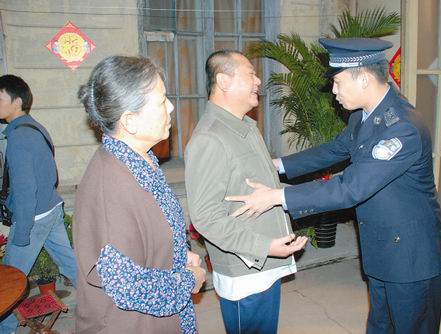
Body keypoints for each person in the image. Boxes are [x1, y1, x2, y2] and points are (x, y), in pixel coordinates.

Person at [226, 38, 441, 334]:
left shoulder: (402, 128)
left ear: (365, 79)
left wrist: (278, 196)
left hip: (410, 256)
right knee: (381, 325)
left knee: (411, 326)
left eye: (339, 82)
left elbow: (350, 187)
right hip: (384, 247)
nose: (334, 91)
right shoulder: (363, 116)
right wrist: (275, 165)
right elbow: (333, 150)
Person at [75, 56, 205, 334]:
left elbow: (154, 229)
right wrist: (188, 278)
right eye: (161, 101)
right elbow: (130, 288)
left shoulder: (140, 160)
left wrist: (180, 254)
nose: (170, 106)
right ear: (130, 122)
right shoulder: (111, 185)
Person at [185, 50, 307, 334]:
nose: (258, 80)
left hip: (264, 267)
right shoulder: (210, 138)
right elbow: (205, 217)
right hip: (246, 272)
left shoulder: (245, 127)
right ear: (223, 81)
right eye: (250, 74)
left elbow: (265, 188)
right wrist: (263, 247)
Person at [0, 75, 77, 334]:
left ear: (17, 101)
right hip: (52, 209)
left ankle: (6, 329)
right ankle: (103, 302)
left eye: (0, 98)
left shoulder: (19, 137)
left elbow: (24, 190)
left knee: (9, 281)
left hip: (33, 218)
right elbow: (51, 173)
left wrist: (21, 233)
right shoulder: (35, 127)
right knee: (69, 264)